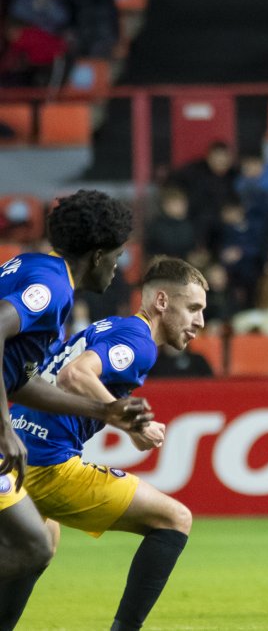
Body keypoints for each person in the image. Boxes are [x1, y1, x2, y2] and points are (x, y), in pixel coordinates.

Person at [6, 257, 206, 631]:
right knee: (175, 519)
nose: (200, 322)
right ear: (162, 302)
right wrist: (126, 419)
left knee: (41, 544)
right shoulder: (140, 342)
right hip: (48, 465)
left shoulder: (110, 326)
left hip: (15, 452)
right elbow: (75, 374)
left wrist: (123, 422)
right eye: (193, 308)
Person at [0, 190, 149, 617]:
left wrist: (103, 412)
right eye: (117, 256)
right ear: (98, 255)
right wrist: (4, 429)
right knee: (31, 546)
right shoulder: (51, 287)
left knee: (33, 545)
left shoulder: (36, 267)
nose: (118, 267)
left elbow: (19, 381)